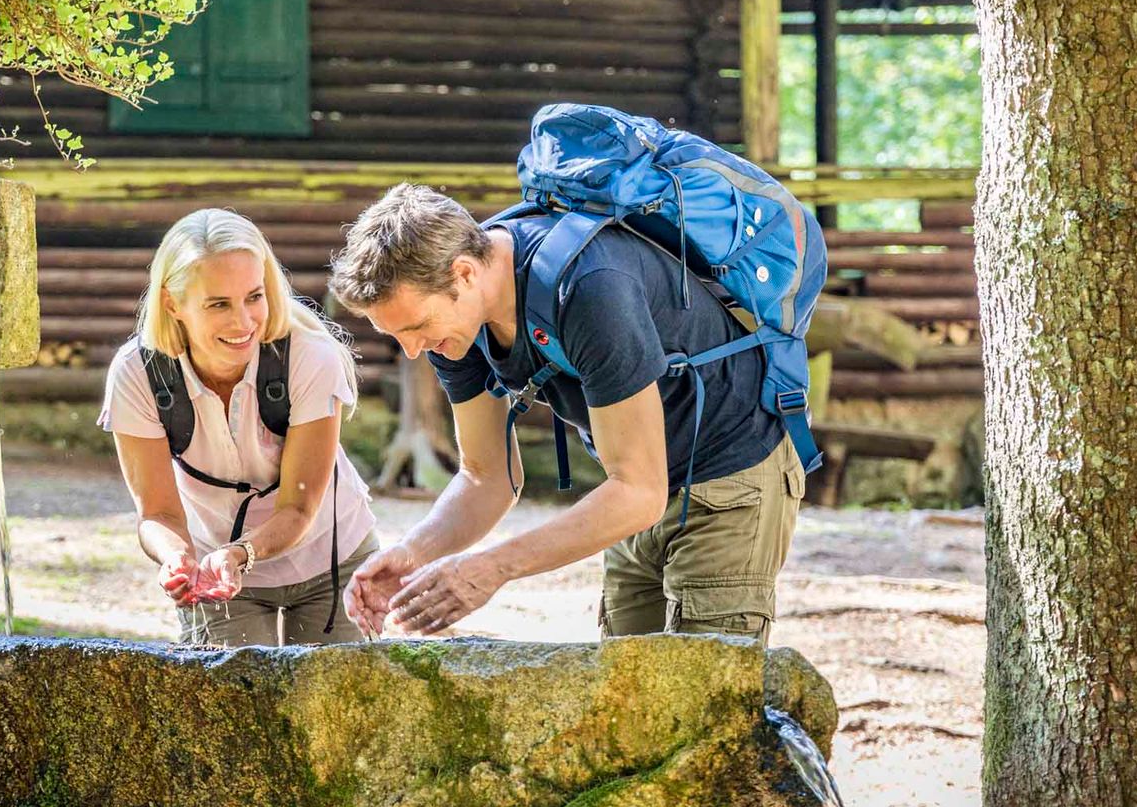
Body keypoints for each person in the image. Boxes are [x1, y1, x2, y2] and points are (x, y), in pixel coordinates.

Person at [328, 183, 806, 642]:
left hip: (732, 468)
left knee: (706, 697)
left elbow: (639, 492)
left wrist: (492, 568)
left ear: (465, 274)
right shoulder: (454, 326)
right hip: (634, 489)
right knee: (625, 691)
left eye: (416, 327)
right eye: (397, 336)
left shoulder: (589, 287)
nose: (412, 351)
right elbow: (486, 478)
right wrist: (412, 553)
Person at [101, 208, 378, 646]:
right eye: (218, 304)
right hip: (214, 567)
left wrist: (241, 553)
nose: (243, 322)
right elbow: (158, 514)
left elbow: (299, 510)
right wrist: (177, 557)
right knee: (234, 706)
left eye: (254, 296)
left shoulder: (310, 356)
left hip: (332, 553)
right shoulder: (138, 374)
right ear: (173, 304)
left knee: (336, 710)